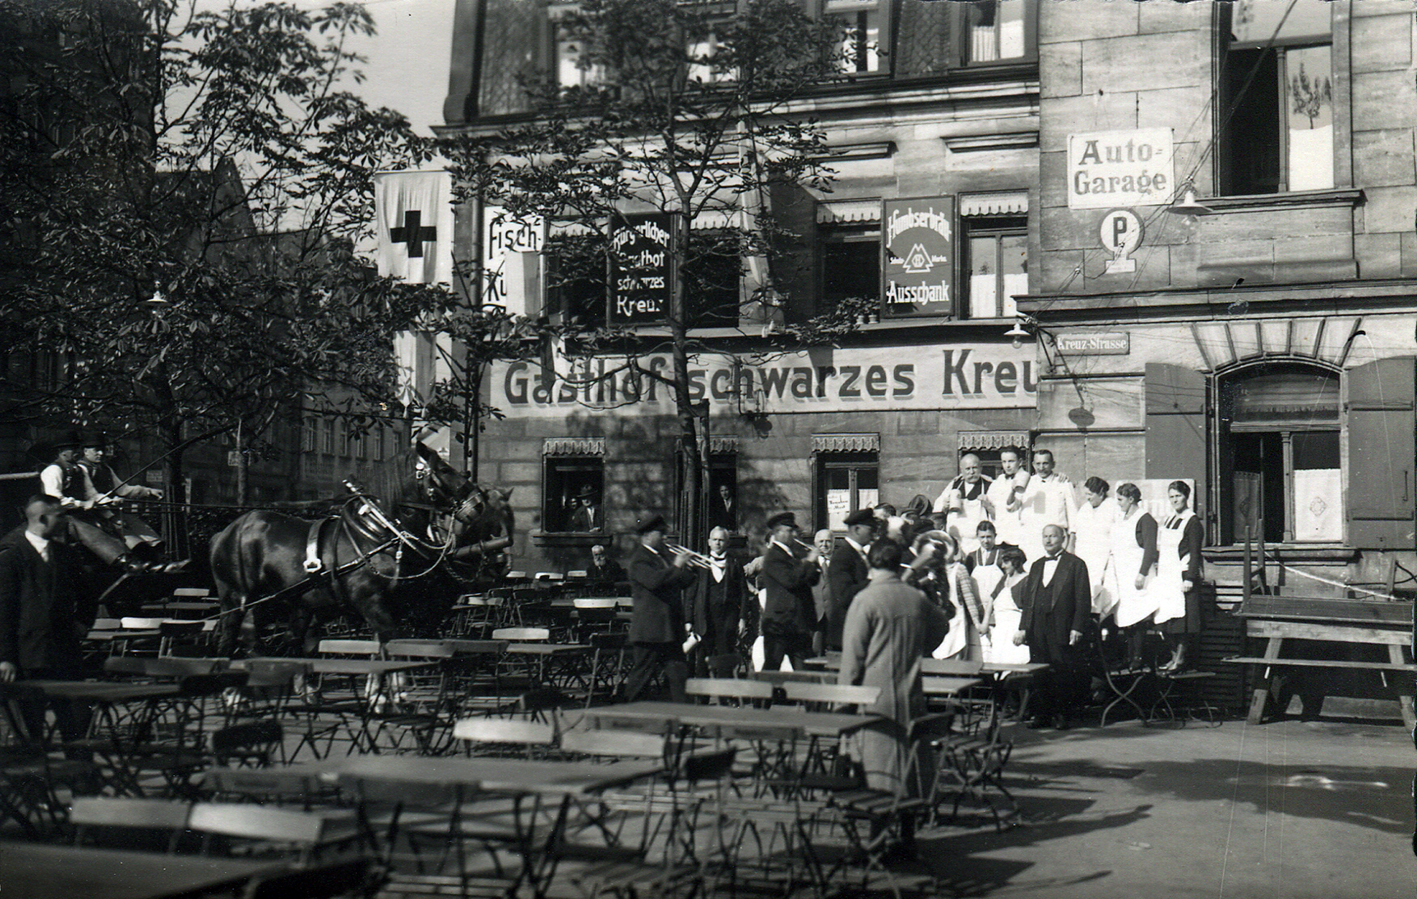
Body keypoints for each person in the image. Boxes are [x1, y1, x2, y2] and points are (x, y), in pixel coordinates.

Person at [839, 540, 951, 809]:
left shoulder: (865, 600)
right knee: (911, 770)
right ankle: (909, 826)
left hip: (874, 700)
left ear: (870, 563)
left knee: (881, 776)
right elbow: (941, 627)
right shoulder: (916, 598)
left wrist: (842, 706)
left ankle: (882, 829)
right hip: (910, 695)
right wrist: (919, 647)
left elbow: (852, 661)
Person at [0, 496, 98, 747]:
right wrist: (6, 658)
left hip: (66, 655)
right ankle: (36, 773)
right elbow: (4, 612)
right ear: (43, 518)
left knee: (77, 726)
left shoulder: (67, 555)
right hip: (27, 657)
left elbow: (88, 594)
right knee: (31, 733)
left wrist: (83, 622)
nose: (66, 521)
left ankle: (82, 772)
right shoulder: (11, 558)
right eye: (60, 515)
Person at [1013, 524, 1091, 729]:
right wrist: (1024, 627)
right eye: (1045, 536)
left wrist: (1077, 627)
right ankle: (1042, 714)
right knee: (1039, 669)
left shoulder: (1075, 564)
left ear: (1063, 538)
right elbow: (1029, 600)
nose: (1048, 540)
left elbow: (1083, 599)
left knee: (1062, 669)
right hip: (1038, 626)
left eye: (1053, 536)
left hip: (1062, 625)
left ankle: (1062, 714)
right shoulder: (1037, 565)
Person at [624, 514, 700, 703]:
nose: (665, 537)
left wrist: (692, 568)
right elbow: (655, 581)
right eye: (661, 533)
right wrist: (677, 566)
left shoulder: (663, 557)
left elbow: (681, 582)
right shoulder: (639, 560)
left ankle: (685, 717)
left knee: (680, 677)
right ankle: (625, 712)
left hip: (669, 630)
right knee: (641, 678)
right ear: (648, 535)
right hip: (650, 632)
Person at [75, 434, 166, 562]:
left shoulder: (105, 468)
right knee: (130, 538)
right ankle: (141, 560)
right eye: (96, 450)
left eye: (102, 450)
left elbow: (123, 489)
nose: (101, 453)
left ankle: (160, 556)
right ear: (85, 451)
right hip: (96, 512)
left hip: (113, 509)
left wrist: (148, 491)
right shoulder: (81, 469)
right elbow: (91, 495)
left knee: (145, 532)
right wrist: (111, 503)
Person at [759, 512, 820, 671]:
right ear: (778, 532)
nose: (794, 534)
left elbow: (813, 580)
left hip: (797, 625)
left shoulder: (794, 555)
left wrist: (813, 563)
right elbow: (791, 581)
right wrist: (808, 561)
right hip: (779, 625)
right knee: (771, 669)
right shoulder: (773, 556)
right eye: (790, 530)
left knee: (805, 671)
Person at [1154, 480, 1204, 672]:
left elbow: (1195, 553)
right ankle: (1174, 656)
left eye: (1178, 496)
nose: (1175, 500)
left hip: (1182, 576)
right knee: (1167, 619)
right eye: (1171, 497)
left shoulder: (1192, 522)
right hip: (1167, 575)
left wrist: (1190, 578)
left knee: (1183, 621)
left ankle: (1181, 658)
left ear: (1186, 497)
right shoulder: (1170, 519)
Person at [910, 531, 984, 661]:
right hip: (937, 621)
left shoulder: (959, 569)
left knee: (955, 659)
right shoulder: (930, 570)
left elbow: (968, 597)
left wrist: (976, 622)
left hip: (956, 622)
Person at [1109, 482, 1160, 671]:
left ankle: (1138, 657)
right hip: (1123, 574)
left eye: (1121, 499)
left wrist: (1142, 573)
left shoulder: (1145, 519)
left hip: (1139, 575)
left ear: (1131, 499)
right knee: (1125, 617)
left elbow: (1150, 550)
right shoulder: (1122, 518)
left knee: (1138, 618)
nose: (1118, 503)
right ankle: (1128, 656)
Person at [686, 527, 747, 676]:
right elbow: (690, 595)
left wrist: (742, 618)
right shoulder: (700, 564)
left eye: (721, 540)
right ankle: (702, 691)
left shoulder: (735, 564)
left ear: (727, 543)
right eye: (715, 540)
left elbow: (743, 593)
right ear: (709, 542)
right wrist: (688, 620)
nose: (717, 543)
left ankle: (724, 691)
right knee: (702, 662)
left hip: (727, 620)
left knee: (725, 661)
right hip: (705, 619)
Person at [827, 509, 875, 652]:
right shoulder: (843, 556)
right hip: (847, 631)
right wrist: (872, 579)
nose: (873, 533)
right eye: (870, 529)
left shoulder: (860, 554)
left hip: (858, 628)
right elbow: (844, 594)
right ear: (857, 529)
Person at [1071, 476, 1119, 618]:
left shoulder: (1113, 507)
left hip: (1105, 559)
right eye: (1086, 494)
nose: (1088, 498)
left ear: (1101, 493)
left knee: (1106, 594)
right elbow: (1077, 534)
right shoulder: (1084, 509)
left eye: (1090, 494)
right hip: (1085, 558)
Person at [1016, 449, 1074, 565]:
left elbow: (1073, 514)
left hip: (1055, 541)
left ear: (1053, 464)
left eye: (1045, 463)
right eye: (1038, 464)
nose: (1041, 467)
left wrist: (1071, 543)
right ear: (1033, 464)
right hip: (1031, 541)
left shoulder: (1063, 483)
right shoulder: (1027, 484)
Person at [935, 453, 993, 555]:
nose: (972, 472)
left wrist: (988, 504)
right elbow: (938, 508)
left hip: (977, 543)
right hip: (955, 541)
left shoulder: (989, 485)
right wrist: (945, 505)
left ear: (980, 468)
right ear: (961, 470)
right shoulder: (955, 484)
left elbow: (998, 512)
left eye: (974, 468)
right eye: (968, 469)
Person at [984, 546, 1030, 665]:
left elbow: (1029, 609)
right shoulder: (1005, 579)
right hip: (1000, 631)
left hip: (1015, 631)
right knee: (998, 664)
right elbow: (992, 599)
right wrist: (985, 622)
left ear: (1016, 562)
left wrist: (1023, 631)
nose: (1003, 566)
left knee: (1015, 664)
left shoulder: (1027, 580)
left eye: (1006, 562)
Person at [986, 447, 1030, 550]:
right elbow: (990, 502)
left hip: (1017, 537)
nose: (1007, 465)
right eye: (1004, 461)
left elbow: (1014, 506)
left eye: (1011, 461)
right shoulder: (999, 480)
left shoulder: (1025, 479)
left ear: (1020, 462)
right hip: (1000, 535)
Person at [810, 529, 834, 655]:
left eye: (828, 541)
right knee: (815, 651)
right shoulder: (809, 563)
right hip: (815, 613)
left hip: (834, 614)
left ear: (833, 544)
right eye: (821, 541)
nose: (824, 544)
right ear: (815, 543)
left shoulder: (838, 562)